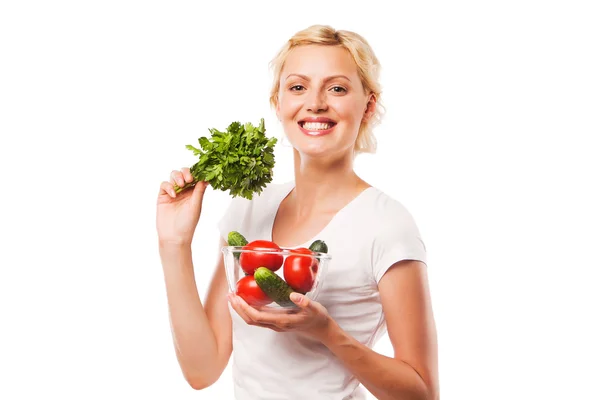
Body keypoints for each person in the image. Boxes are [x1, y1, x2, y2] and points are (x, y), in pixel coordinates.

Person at [156, 24, 439, 400]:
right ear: (278, 102)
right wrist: (173, 245)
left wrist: (328, 333)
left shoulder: (387, 225)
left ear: (368, 105)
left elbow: (422, 392)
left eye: (337, 88)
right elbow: (202, 370)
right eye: (297, 87)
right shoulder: (249, 207)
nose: (316, 103)